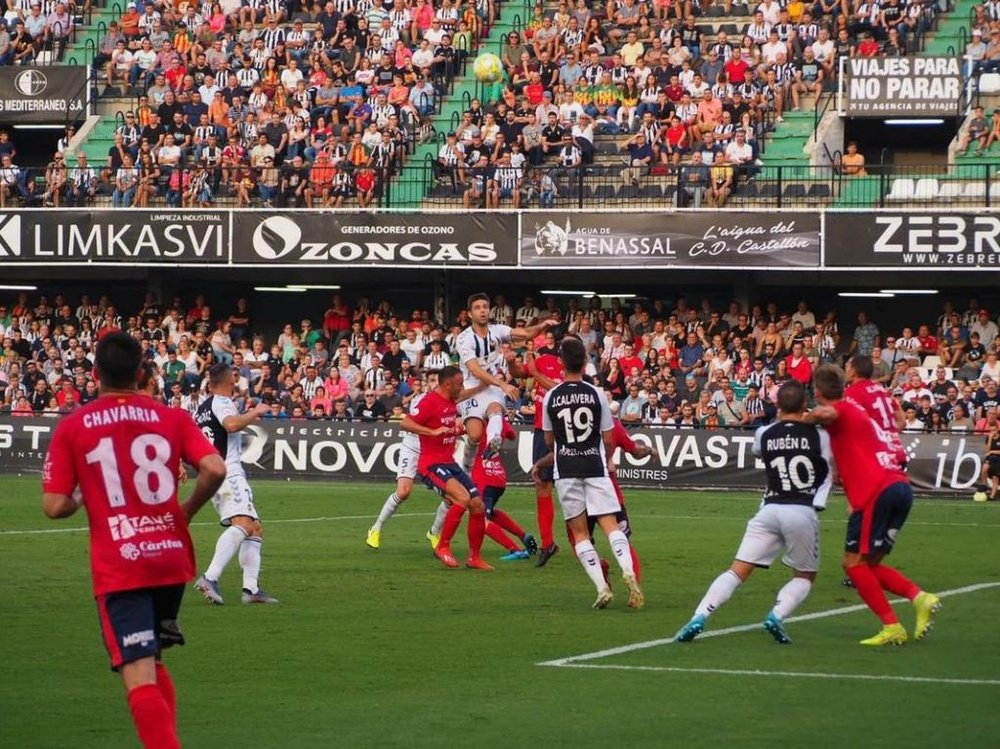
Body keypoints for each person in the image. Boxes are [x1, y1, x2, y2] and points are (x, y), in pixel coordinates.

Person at [42, 332, 227, 749]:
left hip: (122, 564)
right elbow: (214, 469)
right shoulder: (172, 418)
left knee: (138, 674)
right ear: (141, 372)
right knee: (154, 659)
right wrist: (187, 510)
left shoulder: (73, 426)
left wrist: (79, 494)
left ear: (94, 374)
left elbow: (54, 506)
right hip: (169, 558)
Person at [675, 380, 832, 644]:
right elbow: (827, 468)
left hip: (769, 508)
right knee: (805, 575)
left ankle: (699, 616)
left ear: (777, 405)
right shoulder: (820, 436)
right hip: (801, 508)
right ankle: (777, 615)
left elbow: (761, 452)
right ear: (805, 405)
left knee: (736, 571)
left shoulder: (764, 434)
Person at [805, 365, 941, 646]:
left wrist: (799, 418)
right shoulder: (858, 412)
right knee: (870, 563)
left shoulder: (841, 409)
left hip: (876, 492)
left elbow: (826, 413)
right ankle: (920, 598)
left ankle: (892, 626)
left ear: (817, 391)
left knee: (852, 564)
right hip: (899, 487)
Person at [533, 337, 643, 609]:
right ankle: (627, 570)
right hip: (594, 465)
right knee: (611, 526)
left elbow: (549, 440)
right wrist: (603, 458)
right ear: (585, 362)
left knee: (580, 534)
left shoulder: (551, 396)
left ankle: (601, 587)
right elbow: (607, 437)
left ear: (561, 363)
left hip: (566, 468)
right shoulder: (596, 394)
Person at [193, 364, 278, 605]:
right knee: (243, 524)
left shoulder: (202, 409)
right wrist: (255, 412)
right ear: (230, 381)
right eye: (234, 379)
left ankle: (251, 590)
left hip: (212, 473)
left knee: (255, 528)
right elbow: (231, 425)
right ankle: (210, 577)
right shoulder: (221, 403)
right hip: (228, 473)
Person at [401, 365, 491, 569]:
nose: (461, 388)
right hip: (431, 465)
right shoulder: (429, 401)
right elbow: (405, 423)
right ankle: (442, 546)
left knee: (478, 505)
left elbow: (464, 396)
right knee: (462, 498)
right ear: (448, 384)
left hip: (449, 463)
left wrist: (484, 386)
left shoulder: (452, 398)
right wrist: (430, 432)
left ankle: (474, 558)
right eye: (459, 384)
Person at [455, 293, 555, 472]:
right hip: (472, 387)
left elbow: (525, 333)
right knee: (475, 435)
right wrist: (502, 384)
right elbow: (475, 369)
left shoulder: (497, 330)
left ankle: (494, 440)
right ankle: (467, 468)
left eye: (485, 307)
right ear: (470, 314)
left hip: (492, 386)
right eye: (478, 308)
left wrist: (542, 325)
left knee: (495, 409)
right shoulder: (464, 339)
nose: (483, 311)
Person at [366, 370, 449, 549]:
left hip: (434, 453)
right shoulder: (420, 401)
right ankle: (376, 528)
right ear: (426, 384)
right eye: (432, 381)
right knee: (403, 491)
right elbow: (413, 426)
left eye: (437, 381)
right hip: (413, 448)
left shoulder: (449, 402)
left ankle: (434, 533)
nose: (435, 384)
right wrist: (436, 431)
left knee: (451, 496)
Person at [471, 416, 538, 560]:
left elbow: (471, 435)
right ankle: (523, 535)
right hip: (499, 477)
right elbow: (512, 435)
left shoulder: (477, 423)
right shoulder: (499, 421)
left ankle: (514, 549)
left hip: (484, 477)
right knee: (491, 512)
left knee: (480, 518)